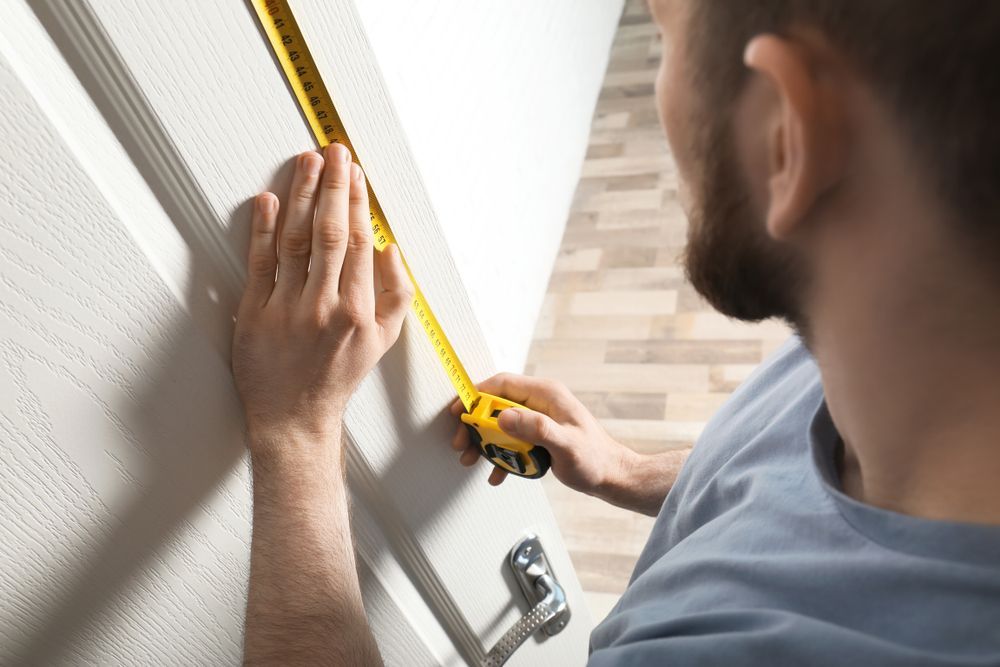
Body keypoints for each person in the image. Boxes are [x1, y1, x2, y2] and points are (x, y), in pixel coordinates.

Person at [232, 0, 1000, 664]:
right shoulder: (905, 332)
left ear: (783, 137)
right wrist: (628, 471)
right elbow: (792, 475)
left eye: (664, 35)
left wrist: (296, 431)